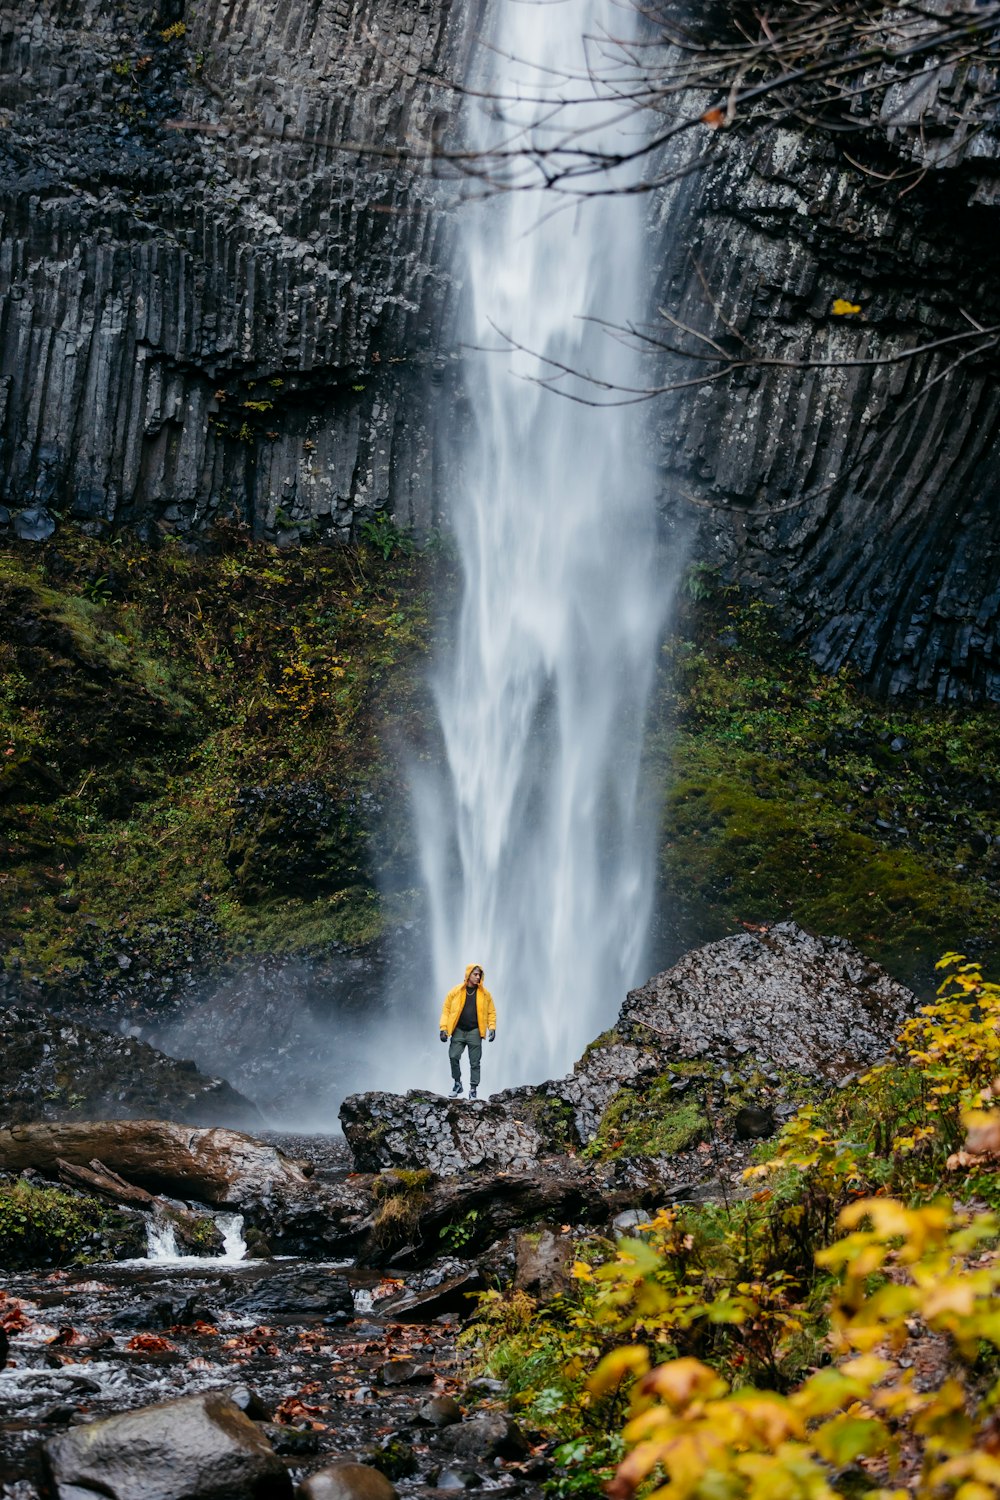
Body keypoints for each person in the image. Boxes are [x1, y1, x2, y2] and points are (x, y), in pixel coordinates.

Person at [439, 962, 496, 1099]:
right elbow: (446, 1010)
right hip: (458, 1030)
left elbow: (491, 1012)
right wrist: (443, 1028)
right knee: (453, 1056)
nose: (478, 977)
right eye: (475, 974)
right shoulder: (456, 991)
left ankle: (473, 1089)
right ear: (468, 975)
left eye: (479, 975)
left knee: (475, 1062)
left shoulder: (485, 994)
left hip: (475, 1031)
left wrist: (492, 1028)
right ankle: (457, 1083)